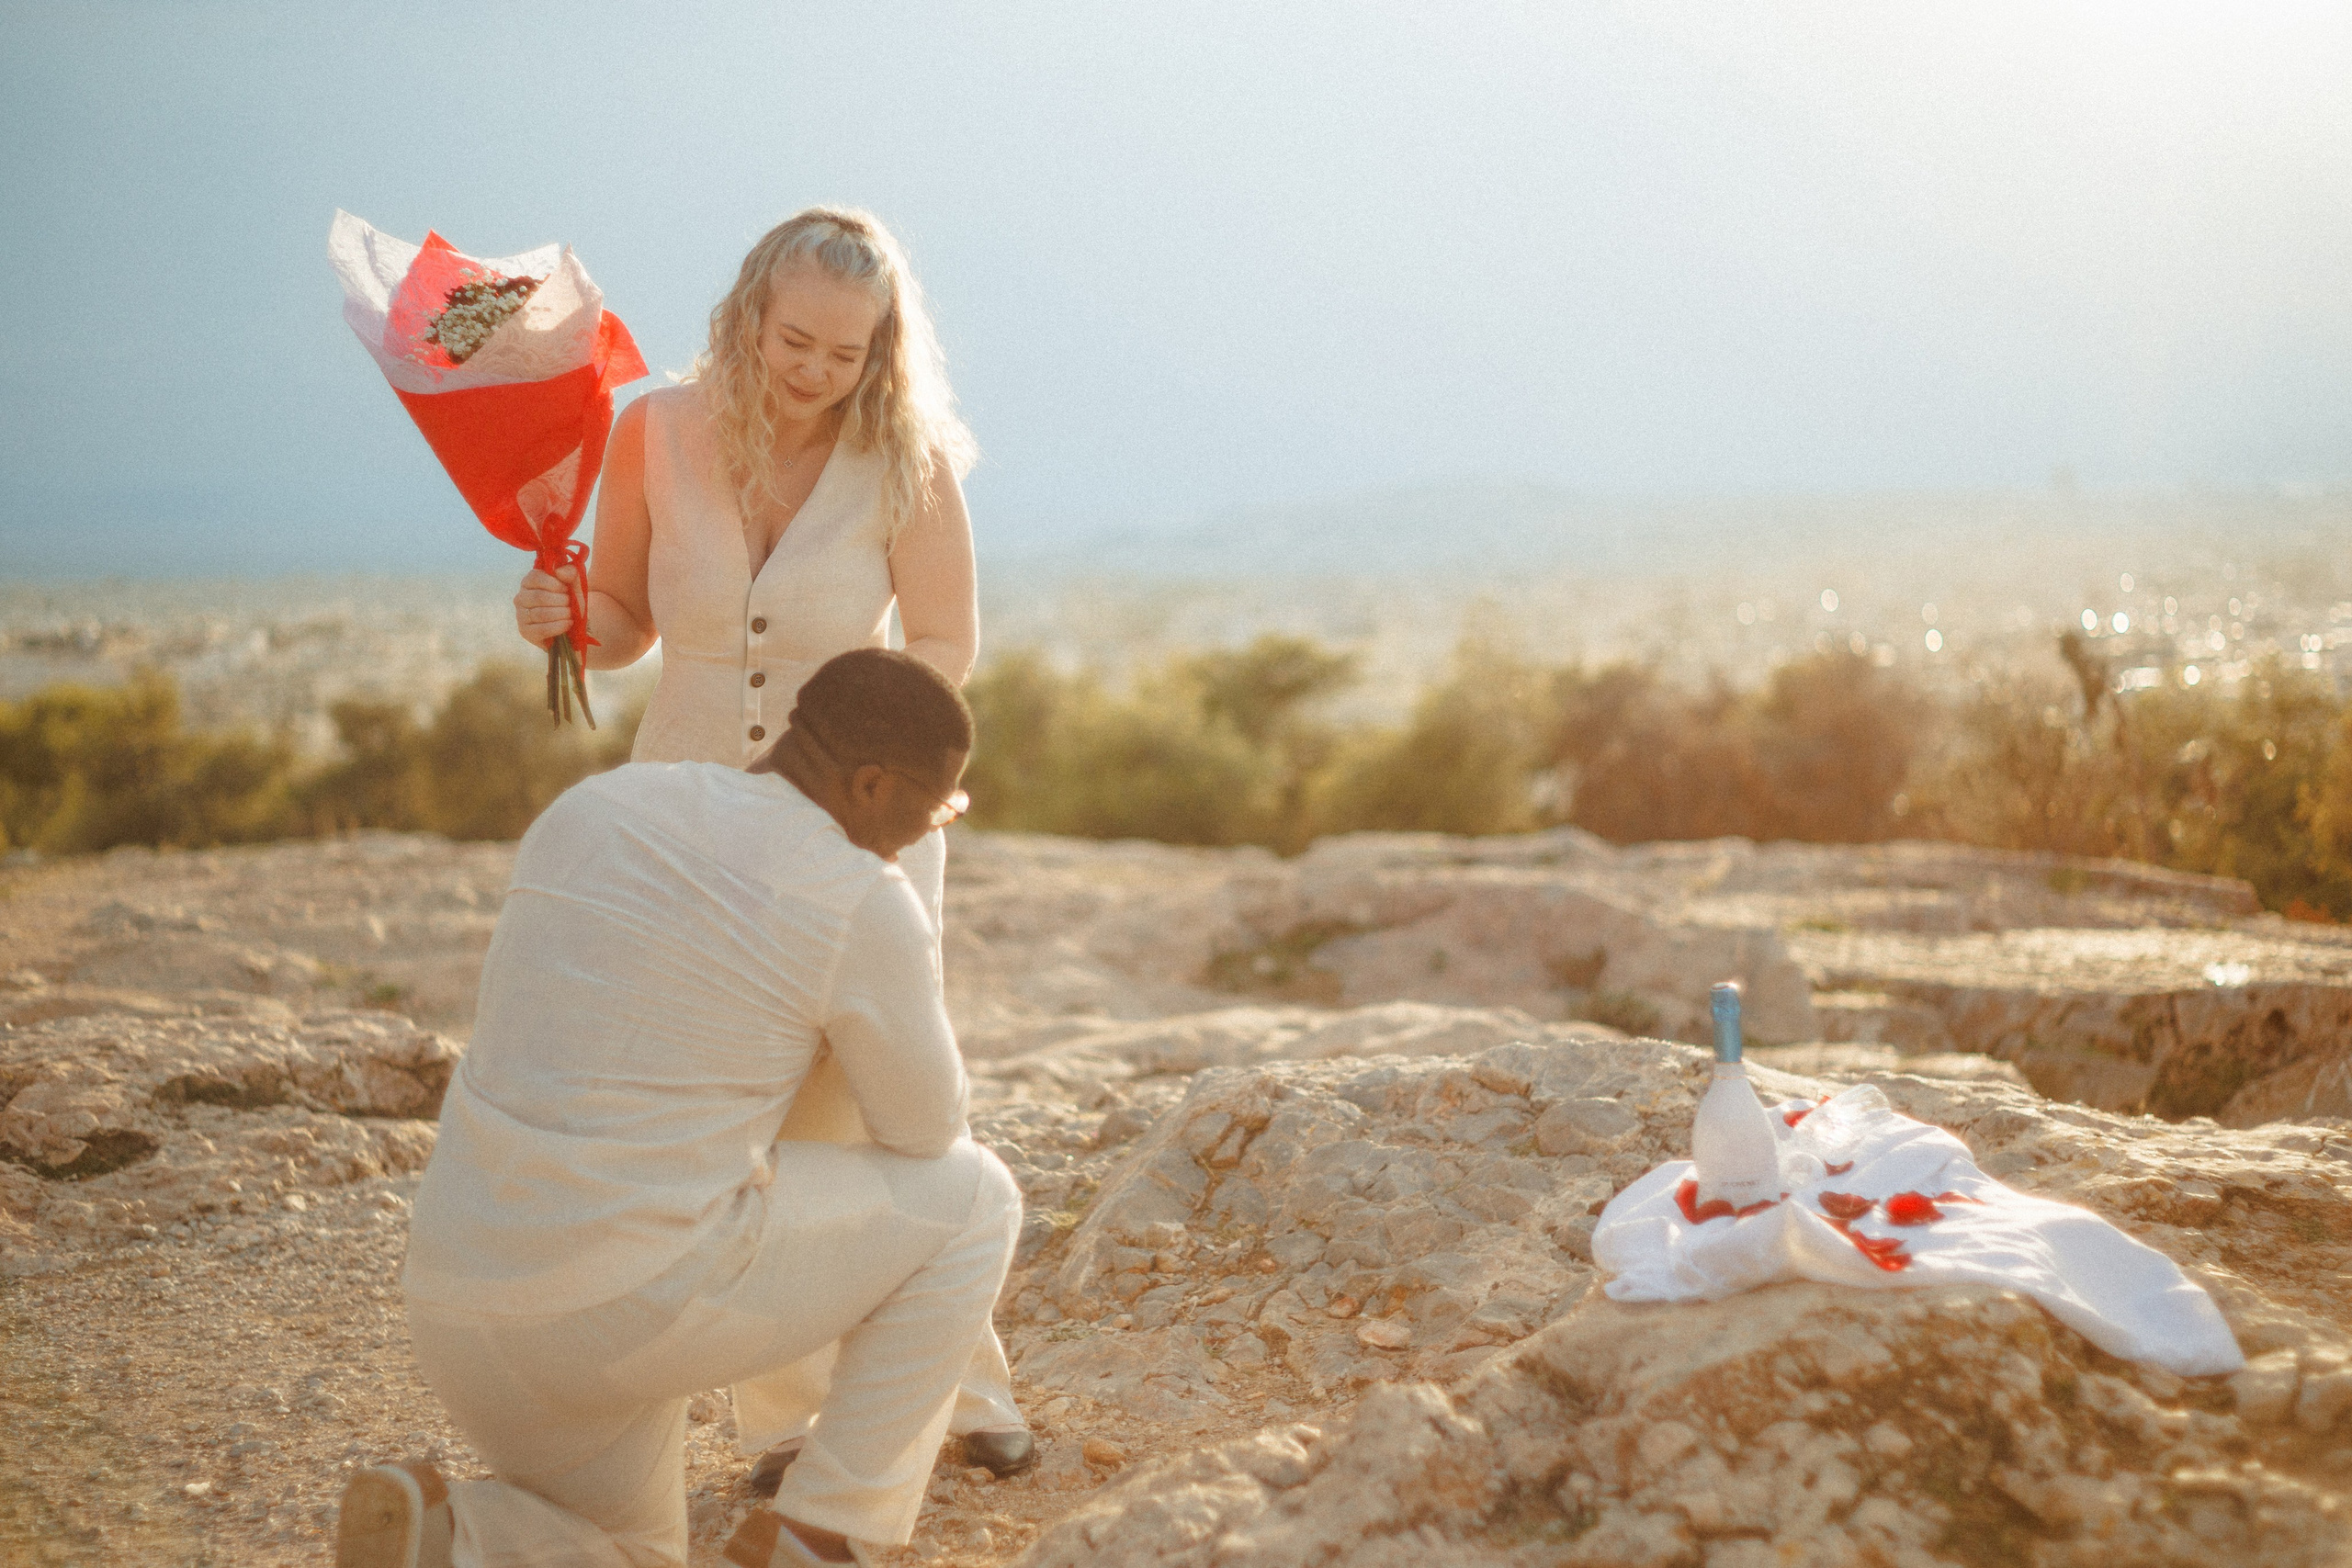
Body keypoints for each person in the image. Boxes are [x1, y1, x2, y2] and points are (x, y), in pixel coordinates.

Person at [509, 207, 1031, 1481]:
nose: (815, 370)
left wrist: (865, 758)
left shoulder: (908, 459)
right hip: (688, 821)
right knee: (738, 1109)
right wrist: (564, 615)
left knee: (885, 1100)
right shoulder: (653, 430)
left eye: (846, 354)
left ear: (881, 353)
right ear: (749, 313)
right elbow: (624, 618)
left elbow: (945, 644)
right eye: (796, 340)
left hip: (857, 817)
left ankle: (961, 1392)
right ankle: (793, 1420)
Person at [338, 649, 1016, 1568]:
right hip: (630, 1303)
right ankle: (821, 1539)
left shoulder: (596, 805)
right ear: (869, 784)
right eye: (938, 810)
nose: (925, 835)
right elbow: (925, 1130)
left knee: (634, 1551)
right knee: (978, 1199)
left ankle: (457, 1536)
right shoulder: (859, 894)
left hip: (460, 1297)